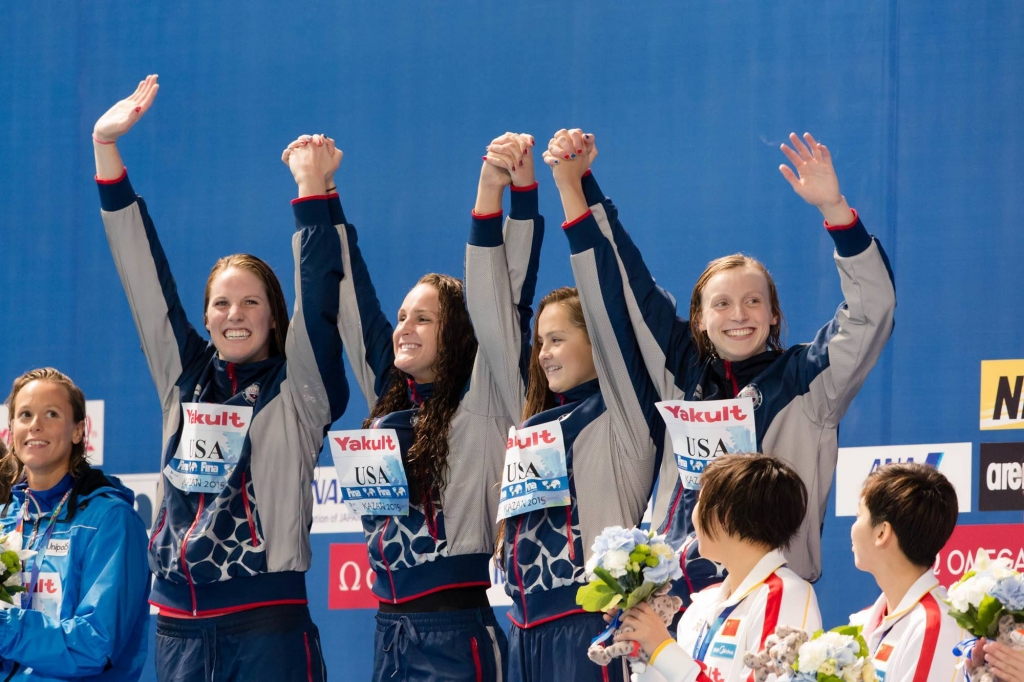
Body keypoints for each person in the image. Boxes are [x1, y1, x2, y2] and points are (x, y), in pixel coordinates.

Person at [547, 129, 896, 593]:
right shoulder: (680, 370)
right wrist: (580, 179)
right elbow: (624, 278)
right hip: (675, 596)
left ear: (774, 316)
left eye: (754, 302)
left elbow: (871, 312)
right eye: (722, 304)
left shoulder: (807, 381)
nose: (738, 315)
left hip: (769, 594)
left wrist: (836, 211)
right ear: (699, 318)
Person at [94, 75, 348, 681]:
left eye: (251, 303)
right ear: (205, 316)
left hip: (267, 627)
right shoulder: (183, 375)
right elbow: (142, 275)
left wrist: (311, 193)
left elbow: (321, 303)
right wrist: (106, 148)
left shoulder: (300, 391)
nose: (234, 316)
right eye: (221, 305)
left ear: (274, 315)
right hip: (178, 628)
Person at [332, 132, 543, 681]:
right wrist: (320, 190)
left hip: (457, 634)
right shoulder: (388, 402)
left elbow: (508, 292)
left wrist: (506, 193)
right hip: (389, 634)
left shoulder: (483, 398)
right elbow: (351, 296)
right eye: (404, 316)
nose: (404, 328)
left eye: (423, 319)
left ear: (457, 336)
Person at [484, 131, 666, 682]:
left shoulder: (624, 416)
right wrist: (507, 195)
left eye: (558, 338)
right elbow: (496, 315)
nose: (543, 353)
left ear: (597, 342)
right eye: (540, 342)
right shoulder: (533, 424)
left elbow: (610, 297)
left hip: (592, 631)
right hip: (524, 635)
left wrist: (572, 190)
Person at [612, 454, 820, 682]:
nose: (693, 517)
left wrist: (663, 648)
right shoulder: (704, 602)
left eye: (701, 500)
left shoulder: (785, 594)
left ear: (726, 516)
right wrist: (647, 654)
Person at [0, 367, 151, 681]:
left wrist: (5, 628)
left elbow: (95, 644)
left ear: (79, 431)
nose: (35, 426)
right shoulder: (6, 518)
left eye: (51, 414)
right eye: (25, 415)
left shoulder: (110, 520)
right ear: (11, 429)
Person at [849, 463, 964, 681]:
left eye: (858, 515)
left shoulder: (935, 626)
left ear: (882, 532)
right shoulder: (866, 620)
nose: (852, 528)